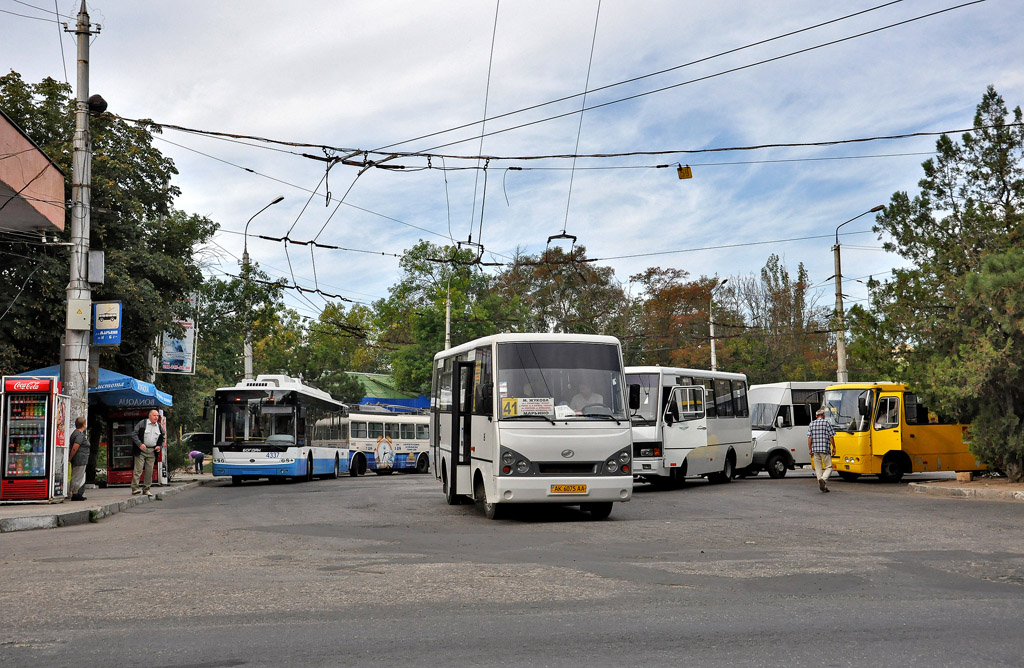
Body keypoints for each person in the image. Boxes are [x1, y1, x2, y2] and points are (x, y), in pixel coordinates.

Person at [131, 409, 164, 496]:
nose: (156, 417)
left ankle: (146, 489)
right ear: (149, 416)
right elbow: (134, 434)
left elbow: (162, 438)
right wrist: (139, 444)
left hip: (152, 451)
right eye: (154, 415)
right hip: (141, 450)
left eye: (157, 416)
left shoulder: (159, 426)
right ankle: (135, 488)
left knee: (149, 471)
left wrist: (159, 446)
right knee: (138, 469)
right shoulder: (143, 423)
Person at [807, 407, 837, 493]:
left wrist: (810, 449)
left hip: (815, 449)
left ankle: (822, 484)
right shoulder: (827, 423)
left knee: (818, 468)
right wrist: (834, 447)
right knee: (829, 467)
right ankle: (823, 480)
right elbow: (831, 436)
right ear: (823, 415)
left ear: (816, 416)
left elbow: (809, 438)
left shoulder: (811, 424)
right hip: (825, 449)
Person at [68, 417, 90, 501]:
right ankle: (75, 493)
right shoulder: (79, 435)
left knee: (77, 475)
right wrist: (70, 458)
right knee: (77, 476)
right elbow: (75, 447)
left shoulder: (76, 433)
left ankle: (75, 492)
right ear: (84, 424)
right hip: (80, 459)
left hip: (80, 458)